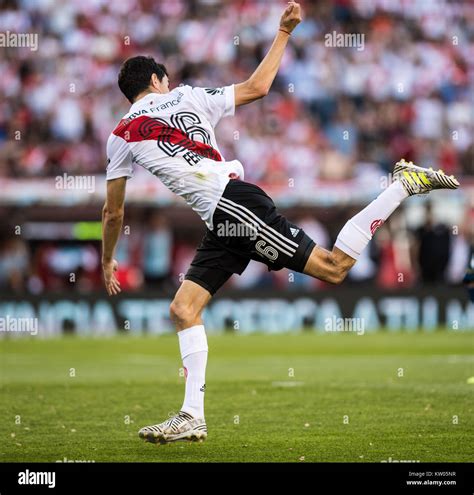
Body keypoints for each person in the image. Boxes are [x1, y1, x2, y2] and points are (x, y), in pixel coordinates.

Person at [101, 2, 459, 444]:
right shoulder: (190, 96)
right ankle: (192, 416)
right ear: (157, 80)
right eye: (164, 79)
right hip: (226, 215)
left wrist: (107, 260)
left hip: (233, 207)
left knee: (333, 268)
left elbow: (113, 212)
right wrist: (284, 31)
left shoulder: (119, 134)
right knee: (183, 309)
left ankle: (402, 186)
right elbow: (258, 86)